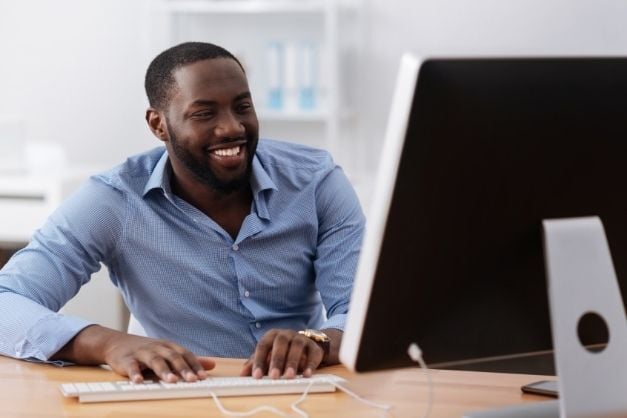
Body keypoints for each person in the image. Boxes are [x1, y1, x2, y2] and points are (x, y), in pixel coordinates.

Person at [0, 42, 364, 383]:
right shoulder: (114, 199)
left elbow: (363, 311)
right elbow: (7, 301)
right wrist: (107, 343)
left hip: (303, 391)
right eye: (204, 114)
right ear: (158, 124)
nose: (232, 127)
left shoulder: (316, 181)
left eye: (243, 107)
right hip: (184, 393)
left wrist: (319, 342)